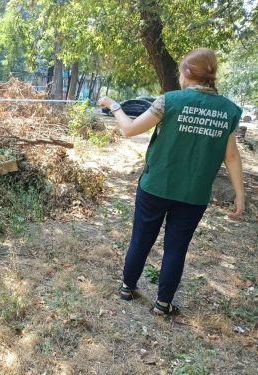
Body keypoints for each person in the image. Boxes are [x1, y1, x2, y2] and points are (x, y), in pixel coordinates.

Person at [98, 48, 245, 316]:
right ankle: (162, 304)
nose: (179, 77)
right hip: (194, 193)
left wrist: (113, 105)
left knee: (141, 240)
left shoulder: (170, 101)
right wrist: (239, 194)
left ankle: (127, 288)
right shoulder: (229, 110)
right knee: (176, 249)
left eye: (180, 72)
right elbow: (231, 155)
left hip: (156, 186)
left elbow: (130, 129)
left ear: (188, 73)